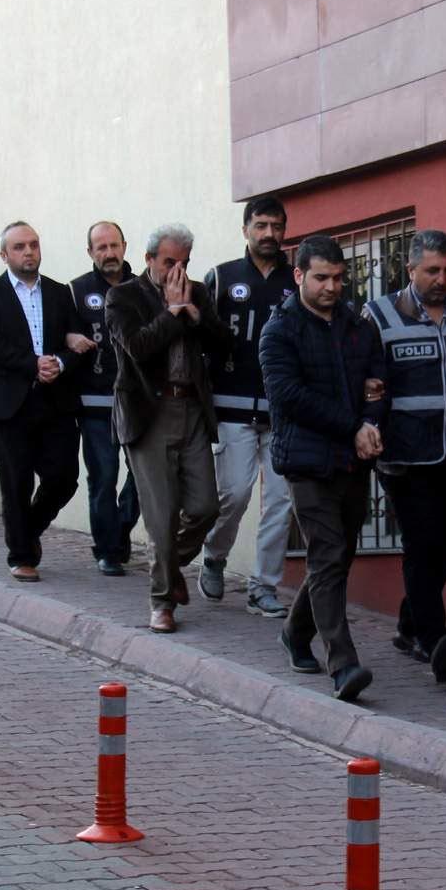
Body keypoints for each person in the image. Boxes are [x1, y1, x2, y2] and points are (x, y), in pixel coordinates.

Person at [262, 236, 388, 702]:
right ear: (299, 277)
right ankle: (343, 664)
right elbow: (289, 396)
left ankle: (295, 634)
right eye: (321, 278)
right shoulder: (280, 330)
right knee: (328, 554)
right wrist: (354, 425)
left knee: (337, 556)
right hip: (305, 460)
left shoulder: (359, 324)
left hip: (353, 460)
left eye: (338, 277)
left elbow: (378, 382)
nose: (332, 286)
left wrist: (372, 422)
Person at [363, 228, 446, 682]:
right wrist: (371, 427)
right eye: (432, 269)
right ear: (410, 269)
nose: (442, 278)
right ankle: (434, 640)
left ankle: (409, 621)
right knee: (421, 543)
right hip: (406, 455)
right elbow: (369, 381)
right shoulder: (379, 314)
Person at [107, 224, 232, 633]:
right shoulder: (122, 296)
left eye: (184, 263)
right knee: (160, 518)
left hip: (192, 409)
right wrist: (172, 312)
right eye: (169, 262)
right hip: (148, 413)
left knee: (205, 507)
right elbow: (138, 348)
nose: (177, 271)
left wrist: (193, 314)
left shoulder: (196, 292)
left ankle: (169, 567)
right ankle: (161, 601)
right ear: (148, 260)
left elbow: (223, 345)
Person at [0, 221, 88, 580]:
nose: (28, 252)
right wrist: (32, 365)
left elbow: (76, 342)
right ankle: (21, 555)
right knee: (16, 481)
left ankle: (29, 529)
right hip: (8, 401)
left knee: (64, 477)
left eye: (33, 245)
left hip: (55, 400)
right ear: (4, 255)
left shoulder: (58, 292)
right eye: (20, 247)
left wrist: (61, 362)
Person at [199, 196, 294, 618]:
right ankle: (215, 555)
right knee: (234, 494)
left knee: (281, 500)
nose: (269, 234)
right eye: (261, 225)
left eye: (276, 226)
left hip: (282, 412)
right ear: (245, 230)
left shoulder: (298, 280)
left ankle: (263, 587)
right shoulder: (220, 279)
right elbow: (198, 340)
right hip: (231, 408)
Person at [70, 220, 141, 575]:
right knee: (103, 477)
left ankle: (119, 531)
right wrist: (69, 339)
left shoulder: (144, 288)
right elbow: (61, 334)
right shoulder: (76, 291)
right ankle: (107, 551)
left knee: (143, 478)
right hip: (95, 403)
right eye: (101, 248)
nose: (109, 253)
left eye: (114, 246)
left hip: (139, 402)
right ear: (90, 253)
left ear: (125, 246)